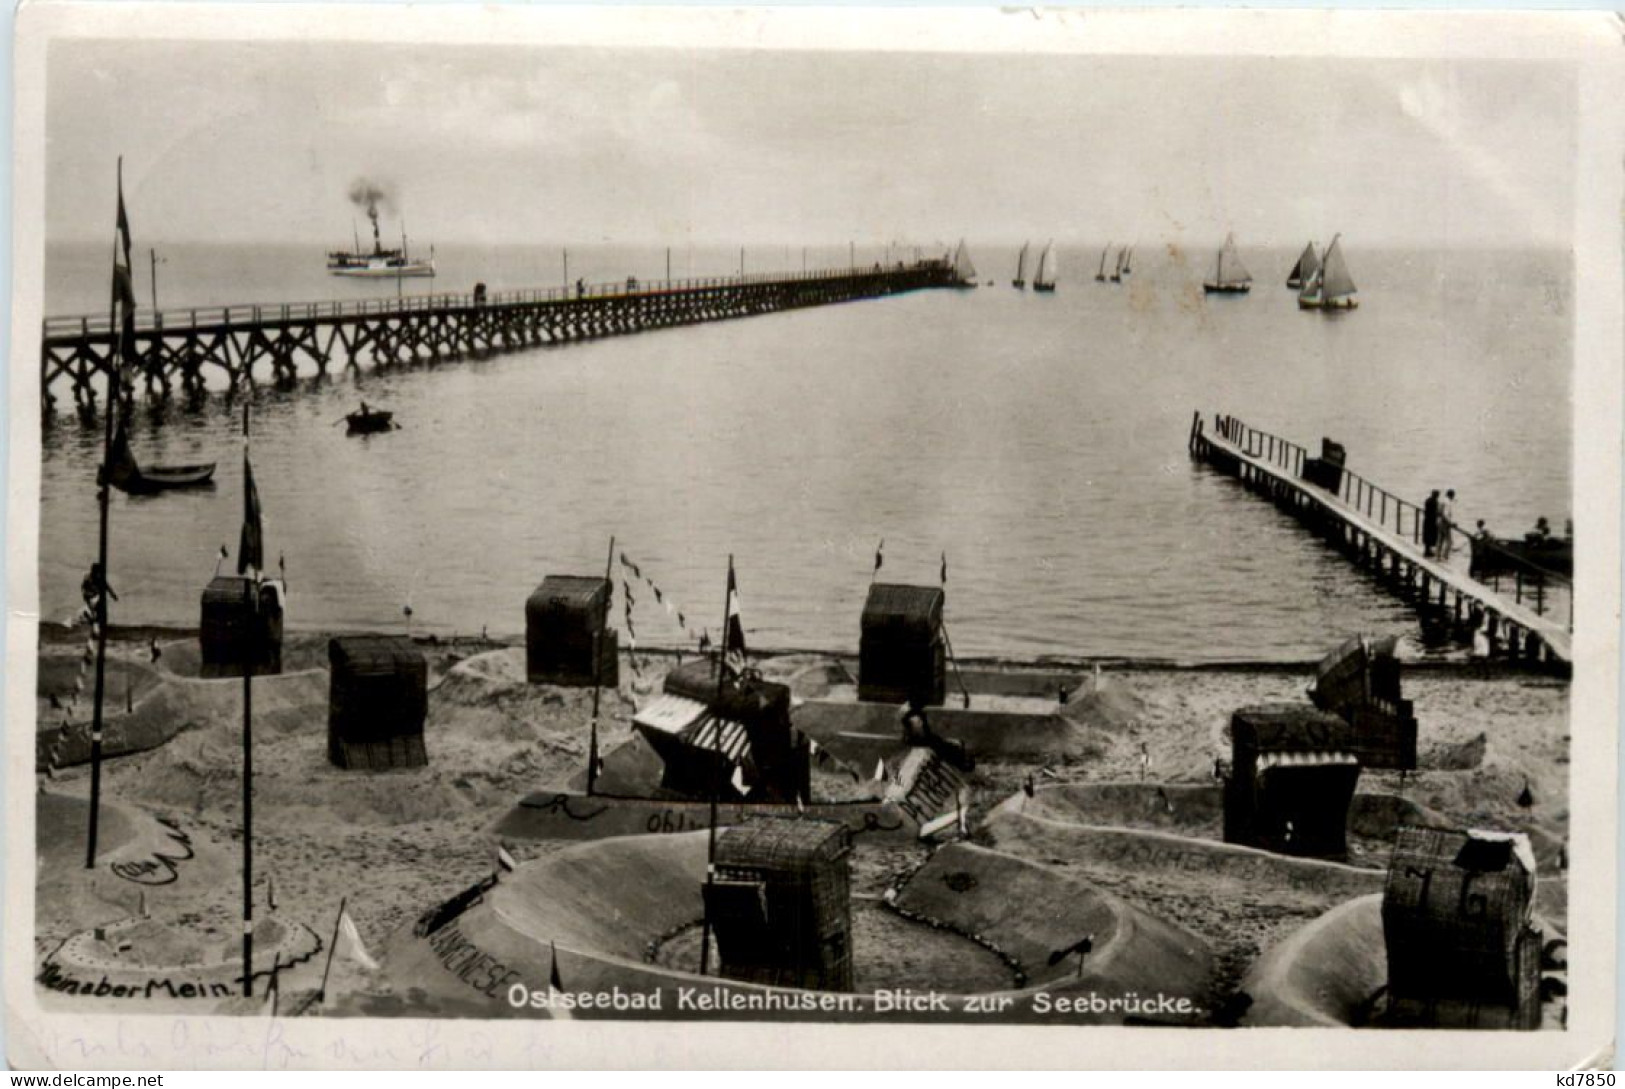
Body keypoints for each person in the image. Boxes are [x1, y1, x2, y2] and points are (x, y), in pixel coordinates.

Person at [1437, 489, 1457, 561]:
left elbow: (1439, 512)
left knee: (1440, 540)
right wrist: (1451, 523)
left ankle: (1438, 555)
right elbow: (1445, 514)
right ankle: (1445, 556)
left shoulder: (1442, 501)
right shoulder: (1448, 503)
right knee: (1449, 541)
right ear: (1451, 495)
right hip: (1445, 523)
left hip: (1439, 522)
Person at [1422, 490, 1440, 557]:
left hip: (1427, 520)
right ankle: (1428, 551)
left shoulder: (1427, 500)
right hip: (1432, 521)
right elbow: (1435, 511)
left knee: (1427, 536)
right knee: (1431, 536)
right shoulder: (1434, 502)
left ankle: (1427, 550)